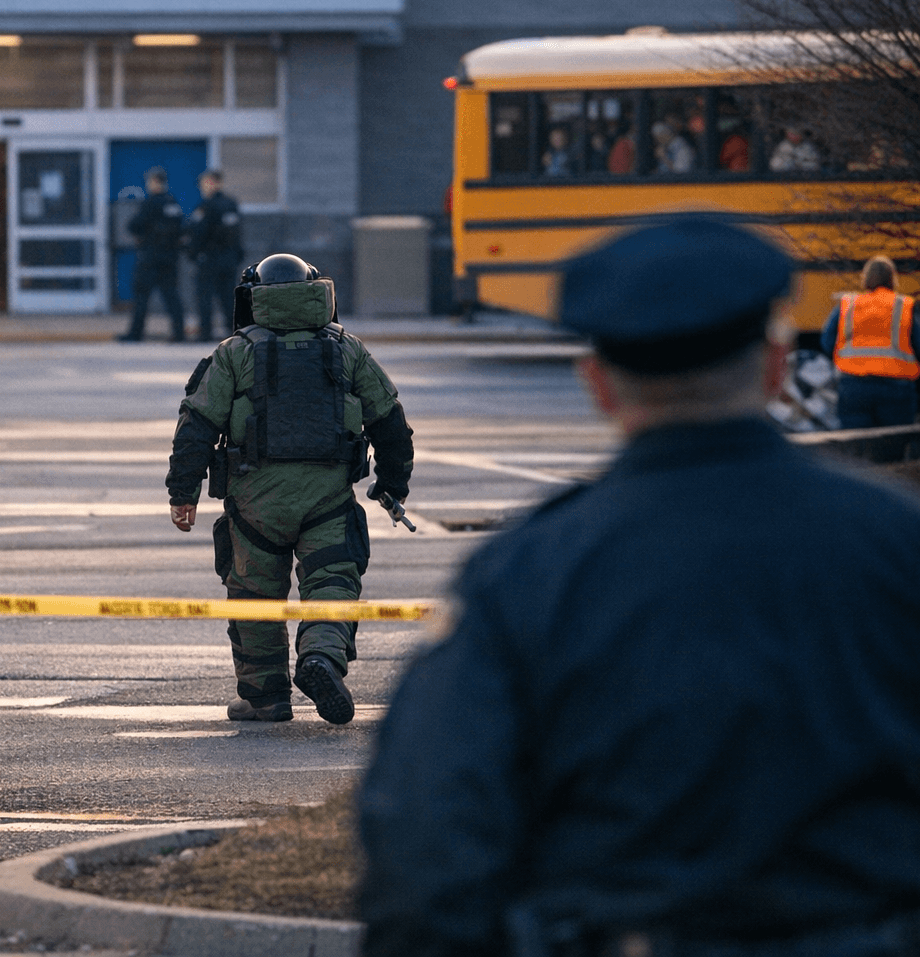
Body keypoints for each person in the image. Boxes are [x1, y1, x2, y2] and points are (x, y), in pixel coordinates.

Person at [357, 217, 920, 957]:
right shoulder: (896, 543)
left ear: (597, 384)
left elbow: (430, 832)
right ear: (777, 366)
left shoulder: (529, 572)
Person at [165, 253, 413, 725]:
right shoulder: (347, 349)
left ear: (254, 298)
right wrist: (392, 484)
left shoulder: (234, 352)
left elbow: (196, 424)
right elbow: (390, 421)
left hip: (254, 502)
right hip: (328, 499)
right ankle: (321, 656)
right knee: (332, 581)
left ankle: (266, 697)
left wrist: (183, 493)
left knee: (254, 595)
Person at [821, 254, 920, 428]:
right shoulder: (904, 306)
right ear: (892, 279)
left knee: (856, 442)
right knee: (895, 441)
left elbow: (827, 341)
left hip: (853, 386)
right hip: (896, 388)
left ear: (866, 278)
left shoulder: (848, 304)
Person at [118, 166, 186, 343]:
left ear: (154, 182)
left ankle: (135, 333)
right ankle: (179, 333)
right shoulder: (173, 203)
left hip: (150, 258)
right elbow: (181, 229)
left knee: (141, 298)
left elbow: (134, 225)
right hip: (169, 258)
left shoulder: (150, 203)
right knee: (172, 296)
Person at [184, 169, 244, 343]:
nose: (202, 187)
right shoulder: (231, 204)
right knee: (228, 298)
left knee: (205, 297)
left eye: (204, 183)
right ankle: (234, 333)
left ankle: (206, 333)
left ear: (212, 183)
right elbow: (237, 233)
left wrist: (192, 253)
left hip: (209, 259)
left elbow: (198, 233)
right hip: (229, 259)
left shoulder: (206, 206)